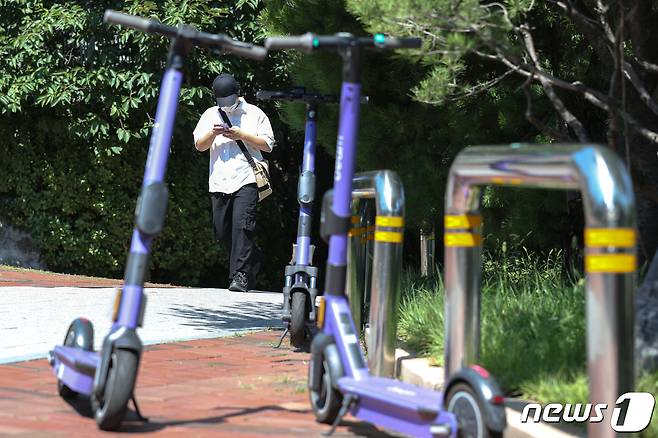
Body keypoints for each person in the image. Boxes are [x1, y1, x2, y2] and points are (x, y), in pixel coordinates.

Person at [193, 73, 275, 292]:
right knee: (221, 231)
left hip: (246, 177)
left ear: (238, 94)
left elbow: (267, 145)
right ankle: (253, 259)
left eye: (229, 101)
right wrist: (213, 133)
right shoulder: (211, 114)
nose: (226, 106)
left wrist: (242, 135)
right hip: (219, 180)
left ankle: (240, 276)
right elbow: (200, 145)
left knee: (243, 227)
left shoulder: (254, 113)